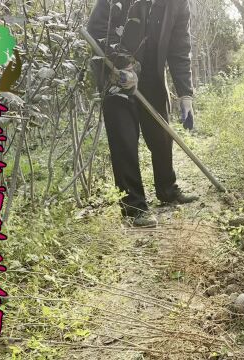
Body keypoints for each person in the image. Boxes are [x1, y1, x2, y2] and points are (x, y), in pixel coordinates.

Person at [87, 0, 198, 227]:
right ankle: (134, 208)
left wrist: (185, 93)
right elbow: (96, 31)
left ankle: (167, 190)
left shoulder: (178, 4)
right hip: (115, 75)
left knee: (161, 136)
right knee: (124, 140)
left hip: (151, 75)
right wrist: (122, 67)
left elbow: (179, 48)